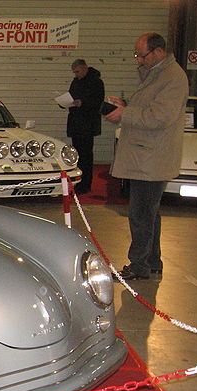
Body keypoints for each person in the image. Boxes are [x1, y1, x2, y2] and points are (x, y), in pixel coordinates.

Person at [104, 32, 188, 281]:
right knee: (149, 213)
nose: (139, 60)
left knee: (140, 214)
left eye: (142, 56)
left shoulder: (172, 78)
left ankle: (139, 266)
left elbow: (159, 117)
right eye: (137, 56)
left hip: (152, 160)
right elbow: (148, 107)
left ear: (158, 51)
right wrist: (125, 104)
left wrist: (124, 114)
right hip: (146, 157)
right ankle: (153, 262)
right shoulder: (157, 73)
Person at [66, 59, 104, 195]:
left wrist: (82, 103)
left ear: (84, 68)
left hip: (87, 124)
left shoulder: (96, 82)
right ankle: (78, 182)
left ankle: (86, 184)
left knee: (86, 155)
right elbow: (70, 96)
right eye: (74, 72)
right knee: (77, 155)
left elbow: (98, 101)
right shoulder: (76, 82)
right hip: (76, 123)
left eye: (77, 72)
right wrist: (65, 102)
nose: (76, 75)